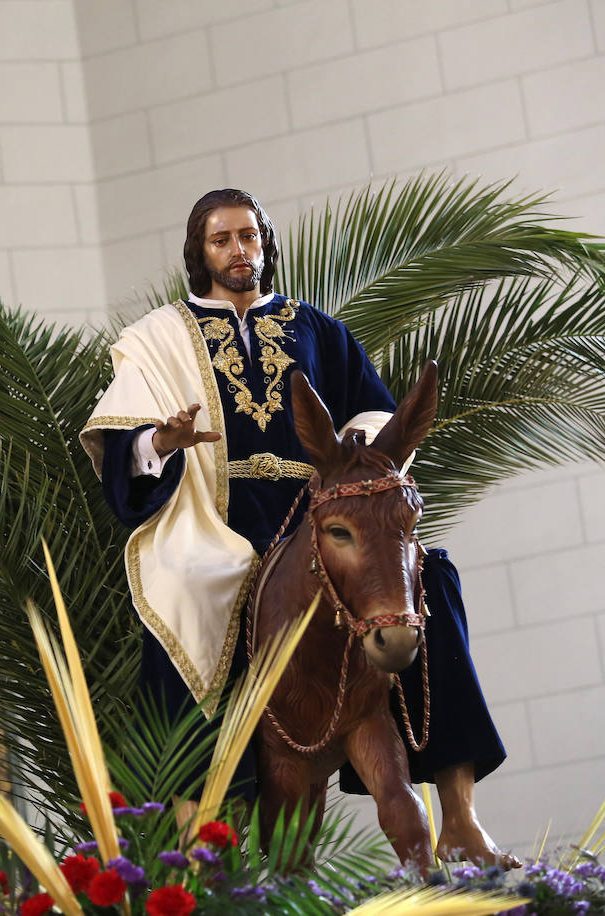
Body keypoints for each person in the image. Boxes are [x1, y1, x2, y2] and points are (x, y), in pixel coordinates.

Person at [80, 188, 516, 868]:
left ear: (264, 245)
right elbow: (123, 448)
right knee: (187, 586)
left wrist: (359, 453)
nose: (237, 250)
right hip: (217, 521)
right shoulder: (155, 338)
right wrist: (161, 441)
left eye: (248, 236)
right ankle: (201, 827)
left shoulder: (317, 328)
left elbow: (374, 414)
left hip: (319, 509)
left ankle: (459, 813)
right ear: (199, 251)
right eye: (221, 239)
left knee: (429, 578)